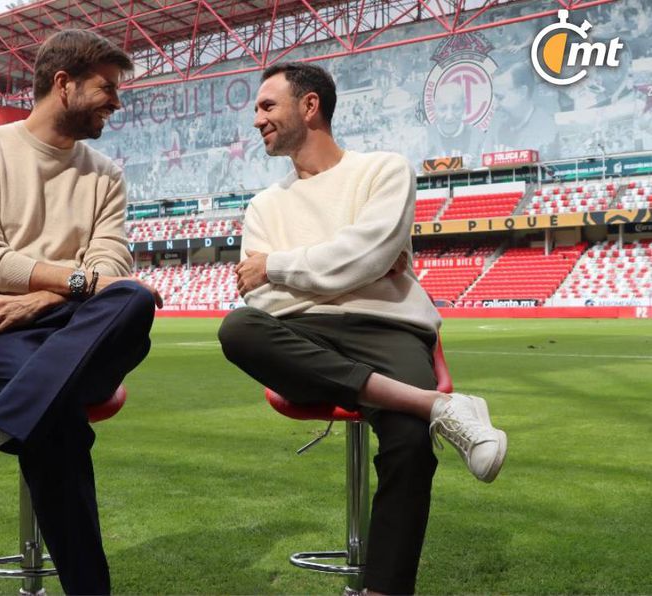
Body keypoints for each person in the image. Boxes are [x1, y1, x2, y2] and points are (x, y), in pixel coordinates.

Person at [217, 63, 508, 595]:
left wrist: (281, 265)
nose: (255, 119)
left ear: (309, 107)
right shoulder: (263, 205)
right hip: (298, 336)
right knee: (237, 328)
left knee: (409, 445)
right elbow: (258, 295)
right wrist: (354, 267)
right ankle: (440, 407)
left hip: (386, 327)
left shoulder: (384, 170)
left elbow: (356, 256)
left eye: (266, 106)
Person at [0, 30, 162, 595]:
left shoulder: (106, 174)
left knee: (134, 299)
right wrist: (76, 279)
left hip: (68, 327)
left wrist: (54, 294)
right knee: (57, 423)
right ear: (63, 85)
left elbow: (112, 266)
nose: (116, 101)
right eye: (106, 88)